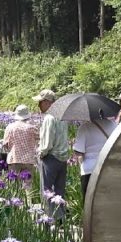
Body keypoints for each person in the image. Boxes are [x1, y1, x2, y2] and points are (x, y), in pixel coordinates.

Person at [33, 89, 70, 222]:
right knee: (59, 191)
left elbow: (47, 142)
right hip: (62, 158)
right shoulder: (62, 116)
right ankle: (60, 219)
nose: (39, 105)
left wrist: (40, 153)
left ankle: (50, 220)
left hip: (51, 157)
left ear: (48, 102)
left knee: (47, 191)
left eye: (40, 102)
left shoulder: (49, 118)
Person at [73, 115, 116, 212]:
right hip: (108, 167)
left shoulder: (84, 127)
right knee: (108, 202)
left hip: (90, 169)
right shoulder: (113, 125)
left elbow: (79, 151)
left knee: (90, 205)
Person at [2, 105, 39, 202]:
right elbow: (39, 140)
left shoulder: (10, 127)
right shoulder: (32, 128)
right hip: (29, 160)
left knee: (14, 185)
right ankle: (28, 205)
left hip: (14, 159)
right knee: (28, 185)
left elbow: (5, 144)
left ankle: (15, 206)